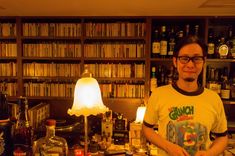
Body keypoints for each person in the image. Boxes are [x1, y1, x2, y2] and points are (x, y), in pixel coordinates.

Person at [143, 35, 228, 156]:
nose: (190, 65)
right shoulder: (158, 94)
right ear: (175, 61)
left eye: (196, 58)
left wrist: (209, 153)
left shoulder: (214, 99)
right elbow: (147, 128)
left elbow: (222, 137)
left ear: (203, 62)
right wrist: (168, 147)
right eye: (184, 58)